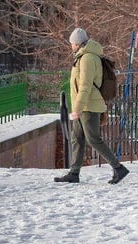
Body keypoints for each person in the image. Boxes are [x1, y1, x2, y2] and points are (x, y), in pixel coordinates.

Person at [54, 28, 129, 185]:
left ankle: (118, 168)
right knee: (77, 138)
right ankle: (74, 173)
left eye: (72, 44)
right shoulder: (82, 57)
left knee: (93, 139)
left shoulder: (88, 58)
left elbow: (85, 86)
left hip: (88, 107)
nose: (71, 47)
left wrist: (77, 108)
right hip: (84, 105)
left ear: (77, 43)